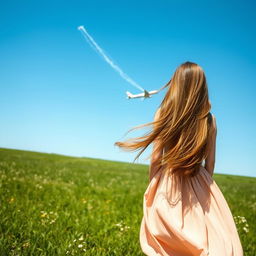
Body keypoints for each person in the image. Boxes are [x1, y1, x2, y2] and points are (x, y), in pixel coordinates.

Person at [114, 61, 243, 256]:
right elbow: (211, 161)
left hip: (169, 179)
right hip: (199, 177)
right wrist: (205, 187)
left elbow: (157, 157)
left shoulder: (164, 112)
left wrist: (154, 184)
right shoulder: (210, 119)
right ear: (201, 86)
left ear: (176, 84)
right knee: (207, 232)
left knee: (169, 233)